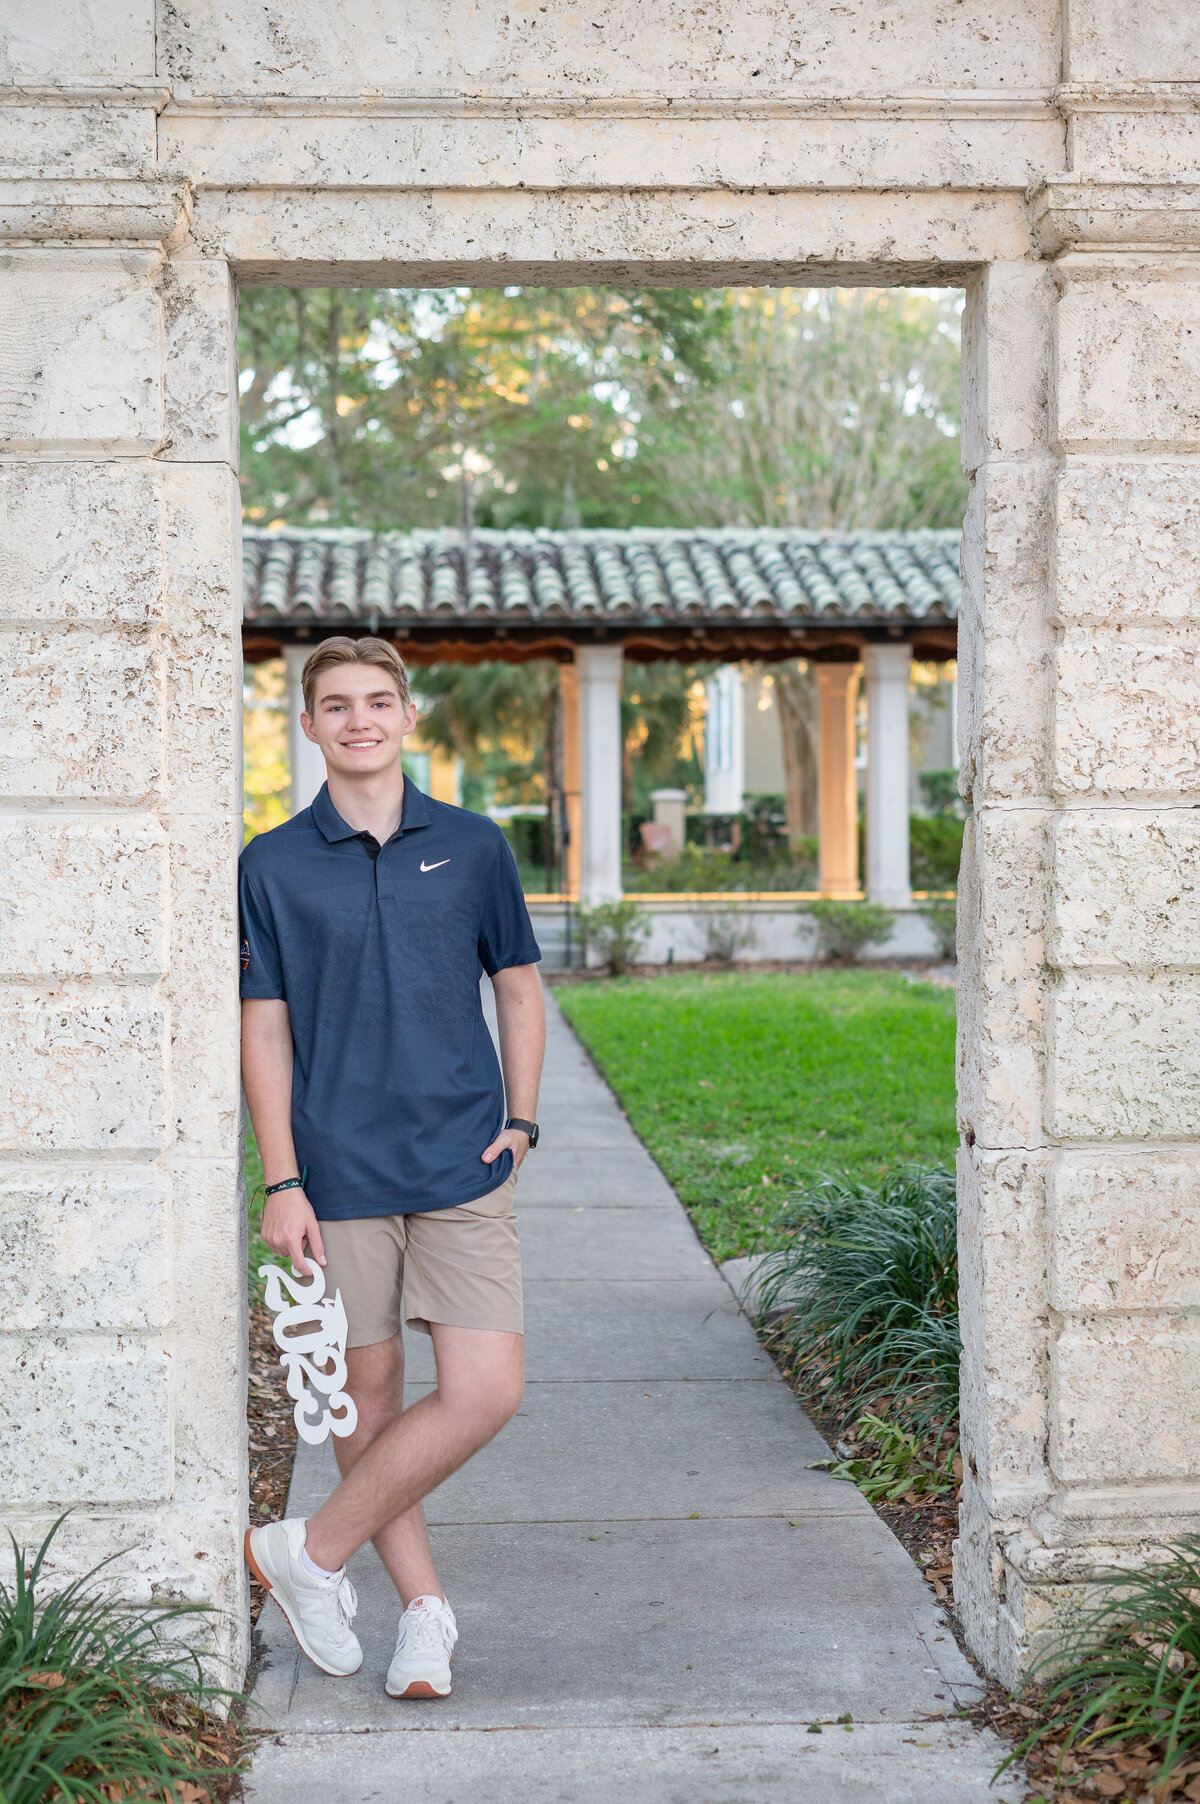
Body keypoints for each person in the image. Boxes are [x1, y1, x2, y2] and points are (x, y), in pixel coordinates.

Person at [239, 636, 544, 1699]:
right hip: (338, 1175)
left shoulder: (472, 846)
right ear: (311, 725)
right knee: (366, 1405)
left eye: (377, 700)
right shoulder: (269, 864)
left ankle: (307, 1553)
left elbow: (517, 986)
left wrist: (522, 1120)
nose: (358, 718)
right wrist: (283, 1179)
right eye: (336, 704)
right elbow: (264, 1028)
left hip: (463, 1161)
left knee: (484, 1390)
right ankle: (424, 1613)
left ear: (408, 715)